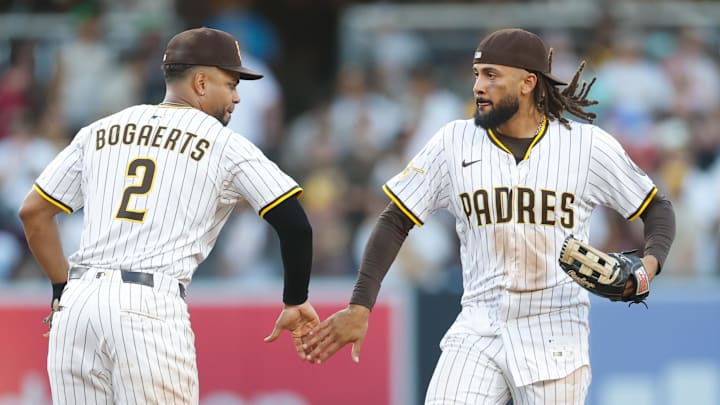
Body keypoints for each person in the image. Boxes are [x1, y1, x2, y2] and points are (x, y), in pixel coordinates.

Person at [305, 28, 676, 405]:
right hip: (478, 327)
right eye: (476, 74)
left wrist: (645, 269)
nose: (478, 86)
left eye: (492, 75)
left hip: (555, 331)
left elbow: (657, 208)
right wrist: (360, 304)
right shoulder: (454, 141)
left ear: (528, 82)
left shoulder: (586, 145)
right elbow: (394, 220)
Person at [18, 27, 319, 405]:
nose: (237, 96)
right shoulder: (223, 142)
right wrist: (295, 299)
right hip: (148, 305)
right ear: (201, 82)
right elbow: (294, 223)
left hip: (77, 308)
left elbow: (33, 212)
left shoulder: (100, 131)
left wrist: (63, 289)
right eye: (231, 83)